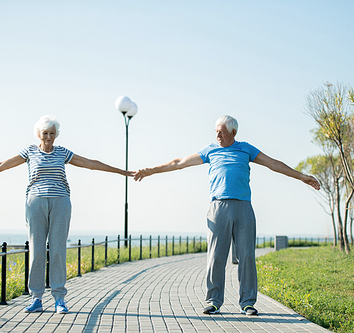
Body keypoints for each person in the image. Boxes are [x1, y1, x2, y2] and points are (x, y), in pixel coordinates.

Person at [134, 115, 320, 316]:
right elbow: (179, 163)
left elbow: (274, 164)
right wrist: (150, 170)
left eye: (221, 131)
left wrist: (303, 177)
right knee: (215, 256)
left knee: (247, 256)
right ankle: (213, 301)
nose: (218, 135)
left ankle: (247, 303)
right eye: (216, 131)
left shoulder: (246, 149)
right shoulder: (210, 151)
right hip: (218, 208)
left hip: (243, 207)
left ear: (233, 132)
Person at [0, 115, 133, 314]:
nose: (49, 137)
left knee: (57, 251)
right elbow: (1, 165)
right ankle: (36, 298)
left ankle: (59, 299)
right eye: (45, 133)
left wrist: (121, 172)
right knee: (37, 251)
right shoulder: (29, 152)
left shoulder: (62, 153)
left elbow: (90, 163)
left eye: (52, 133)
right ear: (39, 134)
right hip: (35, 203)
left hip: (61, 202)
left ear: (56, 135)